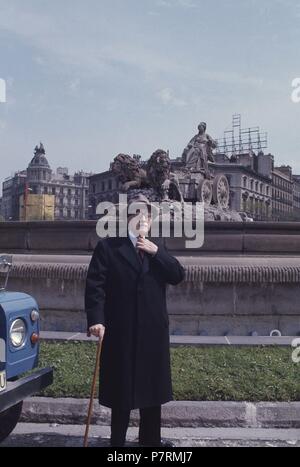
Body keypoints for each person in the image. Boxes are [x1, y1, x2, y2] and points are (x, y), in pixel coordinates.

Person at [85, 194, 185, 447]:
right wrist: (97, 320)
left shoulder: (156, 247)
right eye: (138, 214)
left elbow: (177, 275)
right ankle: (117, 444)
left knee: (152, 393)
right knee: (121, 393)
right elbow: (95, 286)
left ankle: (150, 443)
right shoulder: (109, 247)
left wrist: (157, 252)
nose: (144, 219)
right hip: (121, 332)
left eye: (148, 215)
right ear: (129, 218)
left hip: (152, 334)